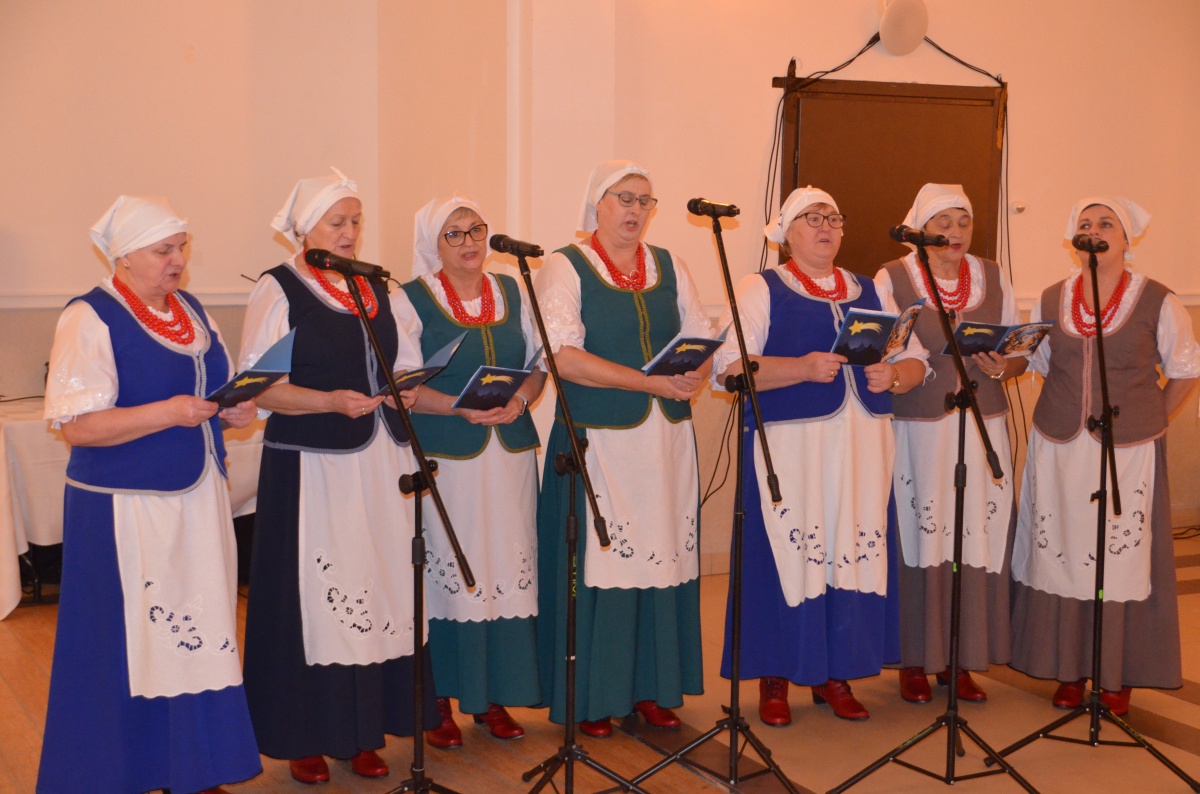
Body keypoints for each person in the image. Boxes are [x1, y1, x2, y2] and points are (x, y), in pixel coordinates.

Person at [38, 196, 261, 794]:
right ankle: (123, 772)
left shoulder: (192, 310)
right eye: (164, 250)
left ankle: (194, 767)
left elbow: (217, 391)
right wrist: (168, 412)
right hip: (125, 505)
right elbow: (77, 426)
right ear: (125, 256)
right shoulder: (89, 317)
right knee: (132, 642)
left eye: (181, 247)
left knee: (198, 627)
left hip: (197, 498)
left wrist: (234, 410)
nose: (178, 260)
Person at [240, 168, 436, 784]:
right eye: (337, 222)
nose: (350, 232)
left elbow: (406, 365)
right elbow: (260, 387)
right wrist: (327, 401)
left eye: (355, 220)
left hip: (381, 462)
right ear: (306, 229)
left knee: (377, 586)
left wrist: (408, 388)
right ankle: (304, 735)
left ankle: (361, 732)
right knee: (317, 596)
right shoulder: (279, 289)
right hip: (314, 465)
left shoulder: (380, 287)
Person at [714, 186, 927, 724]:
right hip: (793, 451)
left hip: (861, 449)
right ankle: (776, 676)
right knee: (790, 557)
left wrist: (893, 375)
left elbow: (916, 359)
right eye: (812, 218)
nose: (826, 226)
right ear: (786, 233)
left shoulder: (871, 289)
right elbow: (729, 368)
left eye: (833, 217)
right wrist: (801, 369)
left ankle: (837, 673)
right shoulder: (761, 288)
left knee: (847, 552)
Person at [534, 160, 710, 737]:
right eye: (624, 198)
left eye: (645, 200)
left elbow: (700, 335)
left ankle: (652, 688)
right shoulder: (565, 266)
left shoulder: (670, 265)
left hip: (665, 441)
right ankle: (595, 695)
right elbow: (563, 357)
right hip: (600, 442)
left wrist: (697, 370)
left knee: (664, 557)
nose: (636, 210)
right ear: (597, 204)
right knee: (604, 564)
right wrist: (649, 382)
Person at [1010, 197, 1199, 716]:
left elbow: (1185, 368)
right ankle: (1068, 666)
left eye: (1106, 223)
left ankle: (1116, 672)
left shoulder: (1158, 299)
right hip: (1060, 444)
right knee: (1064, 550)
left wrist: (1153, 418)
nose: (1094, 231)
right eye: (1085, 224)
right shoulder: (1051, 298)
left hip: (1129, 451)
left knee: (1120, 558)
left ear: (1126, 237)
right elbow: (1039, 363)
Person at [396, 195, 546, 747]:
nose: (469, 242)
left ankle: (491, 695)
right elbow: (402, 384)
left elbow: (538, 365)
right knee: (449, 571)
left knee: (503, 565)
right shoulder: (409, 299)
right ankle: (438, 699)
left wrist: (522, 399)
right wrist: (457, 408)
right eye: (453, 233)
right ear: (432, 244)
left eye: (476, 229)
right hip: (446, 458)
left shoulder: (513, 289)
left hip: (508, 455)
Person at [874, 183, 1024, 705]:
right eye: (943, 223)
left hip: (983, 426)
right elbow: (888, 349)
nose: (955, 232)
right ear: (920, 228)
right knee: (922, 535)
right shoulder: (892, 278)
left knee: (972, 535)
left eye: (964, 221)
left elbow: (1021, 349)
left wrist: (1005, 365)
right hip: (920, 429)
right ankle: (915, 658)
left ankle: (961, 656)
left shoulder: (994, 275)